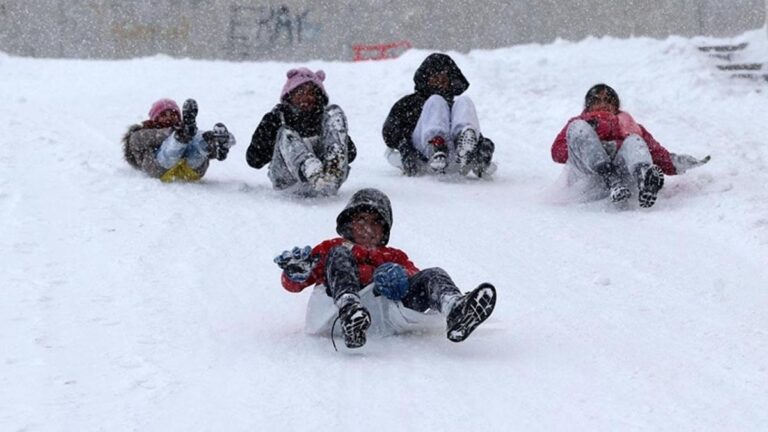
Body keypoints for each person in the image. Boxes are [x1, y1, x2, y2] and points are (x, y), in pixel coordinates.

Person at [273, 188, 497, 349]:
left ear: (385, 230)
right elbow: (297, 283)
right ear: (349, 223)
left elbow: (414, 276)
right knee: (340, 256)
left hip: (386, 314)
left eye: (375, 222)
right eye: (361, 219)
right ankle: (351, 310)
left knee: (433, 274)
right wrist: (295, 273)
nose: (367, 228)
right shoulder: (334, 246)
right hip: (339, 314)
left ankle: (456, 309)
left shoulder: (394, 255)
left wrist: (400, 277)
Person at [551, 84, 710, 208]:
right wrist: (590, 141)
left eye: (608, 100)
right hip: (588, 178)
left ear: (616, 106)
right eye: (597, 101)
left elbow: (655, 152)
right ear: (588, 106)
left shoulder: (630, 125)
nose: (603, 104)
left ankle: (644, 179)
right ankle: (610, 177)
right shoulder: (579, 123)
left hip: (623, 182)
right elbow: (557, 153)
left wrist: (677, 162)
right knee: (578, 128)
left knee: (635, 140)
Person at [246, 68, 356, 196]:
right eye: (300, 92)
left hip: (329, 180)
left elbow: (352, 154)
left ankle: (333, 163)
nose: (306, 97)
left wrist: (335, 143)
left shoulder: (325, 120)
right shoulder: (277, 118)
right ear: (290, 95)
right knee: (286, 134)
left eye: (312, 93)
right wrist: (270, 135)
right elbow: (254, 160)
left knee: (334, 112)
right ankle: (309, 168)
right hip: (289, 183)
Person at [382, 53, 496, 177]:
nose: (439, 83)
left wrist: (482, 145)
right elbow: (390, 131)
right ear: (426, 79)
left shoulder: (455, 106)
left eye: (443, 79)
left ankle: (463, 148)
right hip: (423, 154)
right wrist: (404, 145)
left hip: (456, 158)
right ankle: (437, 146)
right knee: (436, 100)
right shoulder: (410, 103)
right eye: (435, 78)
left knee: (465, 101)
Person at [122, 98, 235, 182]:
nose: (169, 117)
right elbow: (136, 141)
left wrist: (214, 150)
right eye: (163, 115)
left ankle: (212, 142)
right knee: (170, 148)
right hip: (161, 170)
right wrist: (171, 132)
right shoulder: (145, 132)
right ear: (154, 118)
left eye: (173, 114)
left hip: (191, 170)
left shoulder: (187, 130)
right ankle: (179, 139)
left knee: (196, 145)